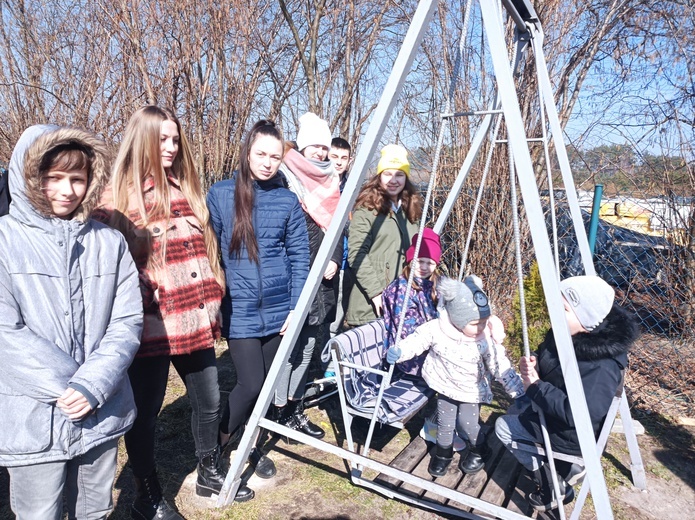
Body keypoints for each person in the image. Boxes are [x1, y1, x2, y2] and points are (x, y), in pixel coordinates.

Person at [0, 125, 143, 519]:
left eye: (77, 179)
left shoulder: (108, 242)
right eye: (54, 178)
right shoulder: (5, 241)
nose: (67, 190)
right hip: (32, 416)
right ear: (30, 178)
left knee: (95, 509)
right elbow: (4, 333)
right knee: (38, 513)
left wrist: (91, 384)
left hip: (100, 408)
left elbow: (127, 320)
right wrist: (67, 387)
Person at [97, 105, 232, 518]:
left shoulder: (185, 188)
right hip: (151, 328)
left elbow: (206, 253)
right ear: (142, 140)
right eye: (162, 139)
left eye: (175, 139)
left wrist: (216, 300)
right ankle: (147, 494)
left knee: (208, 400)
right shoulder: (116, 199)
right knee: (145, 416)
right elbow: (108, 272)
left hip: (195, 322)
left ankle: (209, 467)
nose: (171, 147)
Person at [207, 120, 310, 487]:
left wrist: (297, 308)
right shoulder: (220, 194)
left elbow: (300, 256)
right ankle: (214, 451)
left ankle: (247, 444)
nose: (267, 162)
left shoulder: (286, 200)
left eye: (275, 156)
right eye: (261, 154)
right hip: (241, 309)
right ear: (247, 152)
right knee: (250, 384)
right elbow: (211, 253)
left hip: (280, 308)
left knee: (266, 386)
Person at [495, 275, 639, 512]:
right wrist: (536, 366)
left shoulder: (602, 365)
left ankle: (555, 485)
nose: (555, 313)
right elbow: (552, 363)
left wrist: (536, 387)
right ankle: (559, 468)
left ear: (587, 318)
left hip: (572, 436)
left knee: (503, 426)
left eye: (563, 309)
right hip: (555, 416)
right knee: (518, 407)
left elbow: (581, 414)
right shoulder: (565, 333)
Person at [386, 276, 525, 478]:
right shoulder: (437, 329)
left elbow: (499, 364)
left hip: (470, 390)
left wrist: (516, 389)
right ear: (457, 319)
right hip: (444, 384)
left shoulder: (484, 339)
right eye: (476, 323)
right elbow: (418, 340)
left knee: (466, 422)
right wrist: (400, 351)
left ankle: (480, 448)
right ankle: (443, 454)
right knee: (445, 421)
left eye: (484, 321)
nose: (481, 327)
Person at [275, 112, 341, 438]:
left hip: (321, 280)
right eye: (314, 146)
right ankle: (275, 412)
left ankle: (294, 408)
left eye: (323, 147)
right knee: (288, 350)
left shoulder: (331, 181)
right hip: (294, 278)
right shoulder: (285, 177)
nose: (319, 152)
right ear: (302, 146)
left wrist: (335, 260)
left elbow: (337, 229)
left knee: (308, 348)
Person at [345, 144, 423, 327]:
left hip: (406, 300)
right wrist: (376, 293)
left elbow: (419, 250)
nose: (393, 180)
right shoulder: (367, 209)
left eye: (399, 174)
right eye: (388, 174)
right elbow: (356, 254)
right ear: (379, 176)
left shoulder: (410, 209)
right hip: (372, 306)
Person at [381, 227, 441, 377]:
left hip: (429, 346)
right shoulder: (400, 290)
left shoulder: (434, 283)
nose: (425, 267)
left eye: (430, 263)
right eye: (420, 261)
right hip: (407, 354)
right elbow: (408, 330)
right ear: (410, 260)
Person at [328, 137, 353, 338]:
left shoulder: (352, 190)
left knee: (338, 312)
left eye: (343, 158)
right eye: (334, 156)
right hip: (319, 259)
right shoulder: (317, 186)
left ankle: (329, 360)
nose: (338, 162)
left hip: (344, 261)